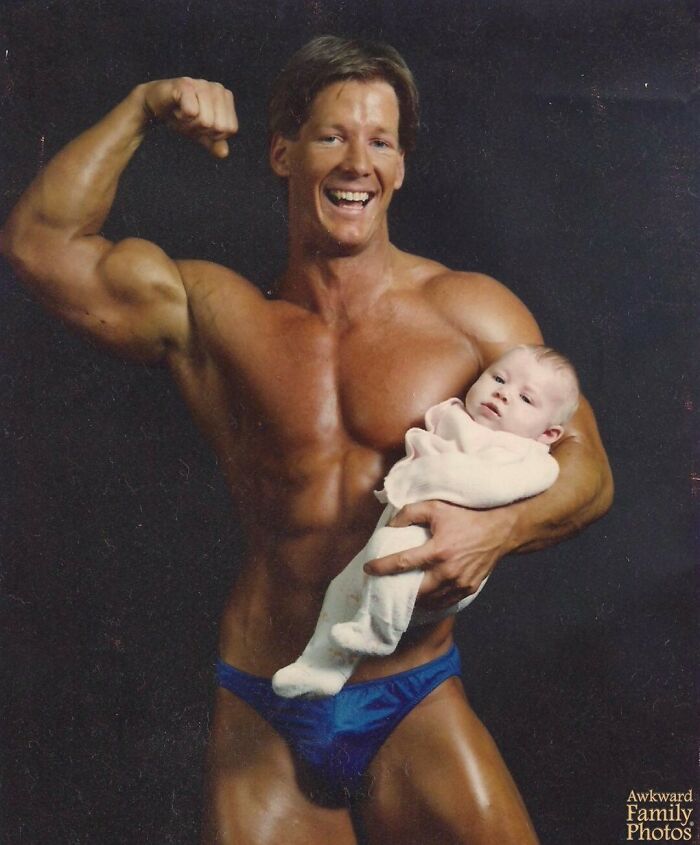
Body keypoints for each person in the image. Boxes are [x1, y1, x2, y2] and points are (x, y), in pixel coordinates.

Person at [2, 34, 612, 845]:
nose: (358, 162)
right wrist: (144, 106)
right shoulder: (216, 314)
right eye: (332, 136)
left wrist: (497, 530)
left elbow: (589, 465)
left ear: (400, 168)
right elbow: (40, 244)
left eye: (381, 142)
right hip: (266, 704)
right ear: (282, 153)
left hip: (412, 696)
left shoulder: (469, 312)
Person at [272, 344, 579, 698]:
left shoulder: (530, 457)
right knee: (343, 586)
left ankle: (376, 633)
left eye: (526, 399)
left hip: (443, 559)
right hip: (400, 530)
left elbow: (489, 487)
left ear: (547, 434)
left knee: (388, 553)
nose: (503, 394)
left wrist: (423, 477)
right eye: (498, 378)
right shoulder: (454, 417)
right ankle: (321, 667)